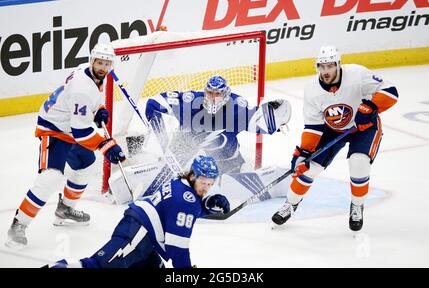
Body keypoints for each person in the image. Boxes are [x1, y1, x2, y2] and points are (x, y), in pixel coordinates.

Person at [5, 43, 126, 248]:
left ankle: (65, 209)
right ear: (92, 61)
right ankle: (18, 224)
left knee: (86, 164)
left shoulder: (91, 73)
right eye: (99, 62)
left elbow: (89, 104)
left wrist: (100, 109)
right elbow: (81, 133)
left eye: (107, 63)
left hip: (70, 126)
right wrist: (107, 146)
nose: (103, 67)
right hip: (54, 129)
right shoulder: (83, 88)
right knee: (51, 177)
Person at [271, 46, 399, 231]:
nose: (325, 71)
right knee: (308, 168)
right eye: (321, 67)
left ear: (338, 65)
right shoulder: (312, 90)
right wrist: (304, 152)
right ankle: (290, 205)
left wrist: (371, 107)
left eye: (329, 66)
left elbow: (391, 91)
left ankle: (357, 205)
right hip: (331, 129)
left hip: (364, 128)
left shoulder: (357, 74)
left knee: (358, 162)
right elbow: (313, 126)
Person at [47, 155, 230, 268]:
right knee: (96, 266)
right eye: (203, 182)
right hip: (137, 235)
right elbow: (177, 246)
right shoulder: (186, 201)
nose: (206, 188)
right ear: (193, 176)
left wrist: (206, 205)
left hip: (142, 234)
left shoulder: (179, 183)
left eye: (210, 184)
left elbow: (173, 211)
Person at [141, 75, 291, 176]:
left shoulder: (237, 108)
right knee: (169, 178)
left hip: (227, 160)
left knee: (245, 174)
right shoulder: (190, 101)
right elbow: (154, 103)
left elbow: (262, 122)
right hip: (181, 156)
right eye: (210, 93)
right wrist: (163, 143)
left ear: (225, 94)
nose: (213, 98)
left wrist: (277, 118)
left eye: (217, 94)